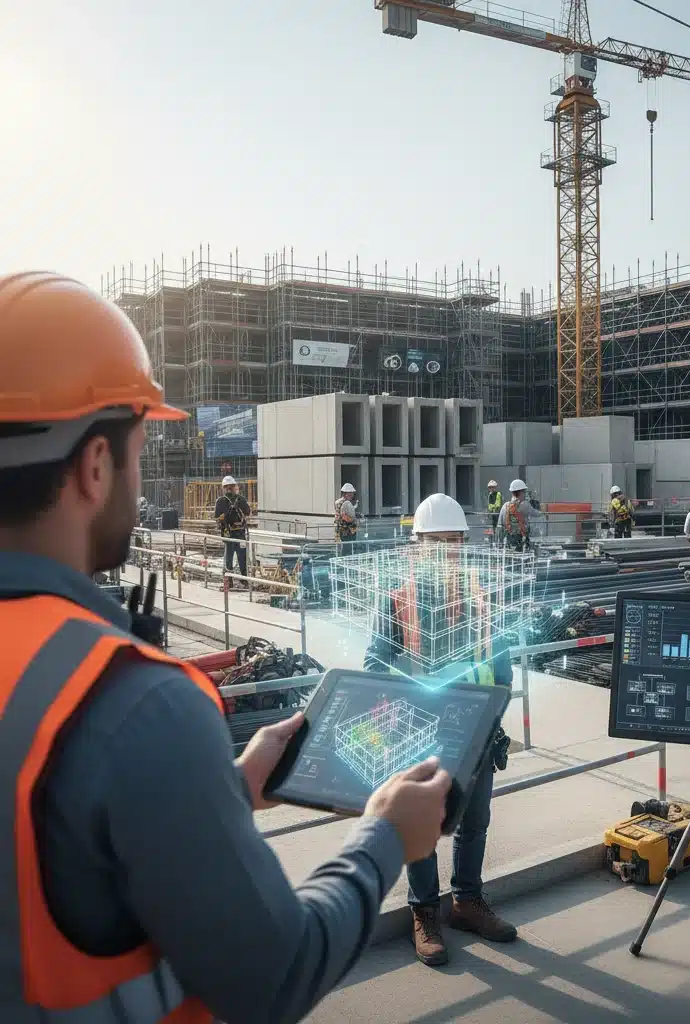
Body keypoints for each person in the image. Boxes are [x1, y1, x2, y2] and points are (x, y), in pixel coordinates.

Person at [0, 271, 451, 1023]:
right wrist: (385, 837)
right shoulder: (135, 702)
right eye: (140, 449)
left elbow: (55, 851)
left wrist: (225, 791)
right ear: (96, 465)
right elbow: (276, 974)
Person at [363, 492, 517, 968]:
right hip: (425, 735)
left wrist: (496, 707)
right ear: (418, 547)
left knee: (475, 823)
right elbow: (374, 661)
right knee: (424, 825)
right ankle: (424, 912)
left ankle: (467, 901)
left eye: (454, 541)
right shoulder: (399, 596)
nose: (447, 551)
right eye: (437, 542)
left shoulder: (480, 591)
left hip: (477, 731)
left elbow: (500, 661)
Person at [214, 475, 250, 583]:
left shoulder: (220, 501)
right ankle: (244, 580)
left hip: (228, 533)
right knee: (242, 557)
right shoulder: (241, 499)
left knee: (229, 558)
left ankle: (229, 581)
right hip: (240, 533)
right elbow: (248, 512)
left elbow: (217, 517)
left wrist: (224, 518)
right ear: (235, 487)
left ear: (223, 488)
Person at [498, 478, 532, 551]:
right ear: (520, 492)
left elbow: (500, 525)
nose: (525, 494)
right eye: (524, 492)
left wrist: (500, 542)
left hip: (509, 539)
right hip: (520, 540)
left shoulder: (505, 506)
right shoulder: (524, 506)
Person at [334, 482, 358, 549]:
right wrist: (353, 520)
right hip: (345, 529)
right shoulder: (344, 503)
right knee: (347, 548)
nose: (352, 495)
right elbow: (344, 516)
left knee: (343, 548)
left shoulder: (338, 502)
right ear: (345, 493)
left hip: (341, 528)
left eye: (352, 493)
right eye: (350, 493)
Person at [486, 479, 502, 543]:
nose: (491, 489)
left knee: (498, 527)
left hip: (498, 514)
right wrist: (491, 508)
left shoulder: (498, 494)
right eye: (490, 487)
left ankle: (498, 541)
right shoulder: (490, 495)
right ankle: (492, 541)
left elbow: (498, 504)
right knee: (492, 528)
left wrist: (493, 507)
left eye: (493, 487)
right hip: (492, 514)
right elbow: (489, 505)